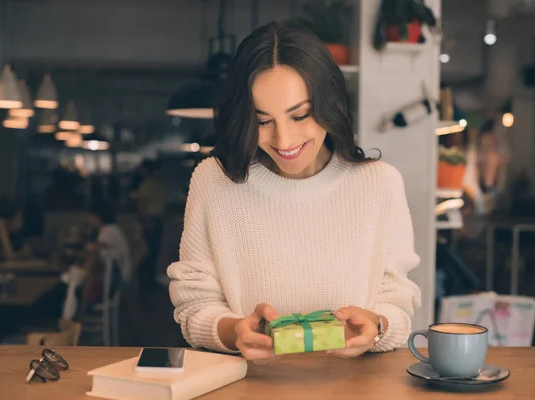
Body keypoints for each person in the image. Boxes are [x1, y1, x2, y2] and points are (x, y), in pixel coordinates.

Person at [168, 21, 421, 361]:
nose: (284, 141)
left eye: (300, 115)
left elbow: (399, 302)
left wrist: (377, 326)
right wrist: (234, 332)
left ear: (329, 104)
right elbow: (193, 304)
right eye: (262, 121)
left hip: (354, 387)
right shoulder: (214, 180)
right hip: (249, 386)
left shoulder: (380, 184)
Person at [131, 159, 165, 288]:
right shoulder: (148, 185)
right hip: (150, 221)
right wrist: (146, 221)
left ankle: (149, 278)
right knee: (148, 251)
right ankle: (143, 279)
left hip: (156, 219)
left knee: (155, 251)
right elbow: (142, 205)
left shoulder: (157, 185)